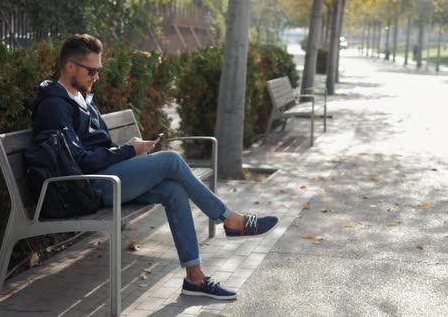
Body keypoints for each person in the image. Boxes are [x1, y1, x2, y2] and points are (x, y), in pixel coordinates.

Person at [31, 34, 279, 300]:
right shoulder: (54, 105)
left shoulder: (82, 98)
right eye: (92, 70)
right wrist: (129, 150)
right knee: (171, 160)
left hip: (106, 178)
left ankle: (195, 278)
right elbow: (79, 160)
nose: (97, 77)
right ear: (70, 66)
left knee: (173, 190)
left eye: (99, 70)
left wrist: (128, 149)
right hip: (87, 187)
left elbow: (96, 147)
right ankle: (232, 220)